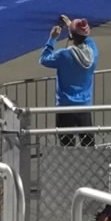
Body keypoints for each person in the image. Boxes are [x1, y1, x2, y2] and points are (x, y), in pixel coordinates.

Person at [39, 16, 97, 145]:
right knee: (89, 144)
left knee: (66, 146)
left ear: (71, 35)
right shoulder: (93, 53)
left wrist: (52, 38)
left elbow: (44, 59)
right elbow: (87, 39)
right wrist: (74, 27)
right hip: (84, 106)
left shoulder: (64, 55)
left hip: (65, 106)